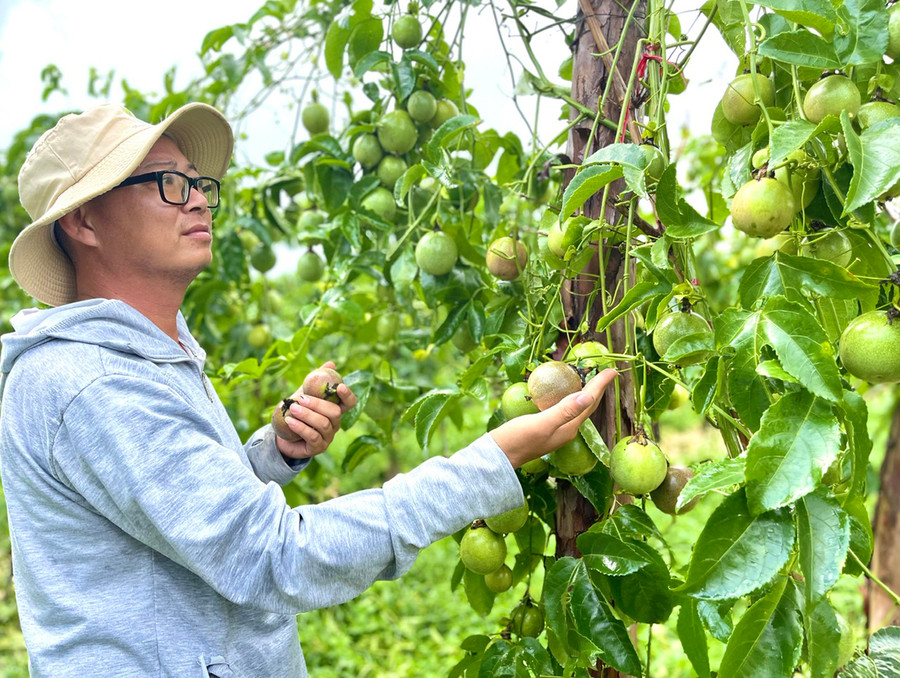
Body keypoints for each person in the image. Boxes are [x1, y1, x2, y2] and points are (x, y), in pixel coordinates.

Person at [0, 102, 617, 677]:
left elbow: (181, 516)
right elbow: (272, 557)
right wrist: (492, 460)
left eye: (200, 183)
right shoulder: (92, 382)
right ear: (83, 220)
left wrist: (275, 454)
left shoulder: (148, 355)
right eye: (167, 182)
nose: (198, 202)